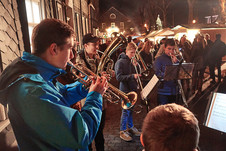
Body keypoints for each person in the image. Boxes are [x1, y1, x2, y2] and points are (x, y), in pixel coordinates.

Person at [0, 19, 108, 151]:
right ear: (54, 49)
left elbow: (61, 95)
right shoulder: (32, 91)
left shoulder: (37, 75)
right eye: (70, 49)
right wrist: (95, 97)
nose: (72, 55)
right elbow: (81, 135)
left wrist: (85, 87)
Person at [76, 33, 109, 151]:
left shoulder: (97, 57)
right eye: (94, 45)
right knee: (88, 131)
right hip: (87, 99)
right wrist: (100, 76)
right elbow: (83, 79)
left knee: (100, 131)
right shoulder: (79, 59)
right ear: (85, 45)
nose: (97, 48)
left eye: (98, 45)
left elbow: (101, 72)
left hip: (101, 98)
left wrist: (106, 75)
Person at [114, 42, 141, 142]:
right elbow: (118, 77)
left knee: (131, 110)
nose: (133, 55)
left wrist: (137, 66)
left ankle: (130, 127)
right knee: (125, 111)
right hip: (125, 90)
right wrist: (131, 76)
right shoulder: (120, 62)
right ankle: (122, 130)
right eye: (131, 53)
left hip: (133, 89)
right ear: (126, 51)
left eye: (134, 53)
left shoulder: (132, 61)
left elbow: (138, 73)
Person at [153, 39, 179, 105]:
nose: (171, 51)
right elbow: (157, 73)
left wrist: (177, 62)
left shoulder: (175, 59)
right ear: (164, 48)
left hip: (174, 90)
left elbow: (180, 72)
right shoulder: (159, 59)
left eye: (173, 49)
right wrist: (167, 75)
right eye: (169, 49)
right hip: (163, 91)